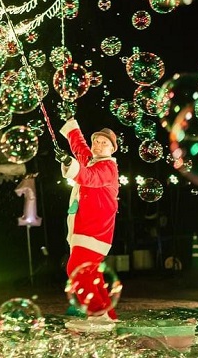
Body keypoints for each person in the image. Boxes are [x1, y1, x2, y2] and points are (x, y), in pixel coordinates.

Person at [55, 118, 120, 321]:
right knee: (92, 275)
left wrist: (68, 163)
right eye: (97, 141)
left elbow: (89, 177)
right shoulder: (92, 160)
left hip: (95, 230)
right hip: (86, 228)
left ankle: (97, 314)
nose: (99, 145)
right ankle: (108, 315)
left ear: (112, 148)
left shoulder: (108, 167)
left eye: (104, 143)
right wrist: (70, 125)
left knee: (75, 268)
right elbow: (80, 148)